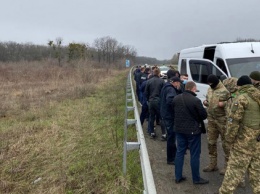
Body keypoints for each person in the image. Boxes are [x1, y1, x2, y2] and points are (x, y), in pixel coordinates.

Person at [218, 75, 260, 194]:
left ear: (240, 86)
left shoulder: (241, 99)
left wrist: (229, 140)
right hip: (257, 144)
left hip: (243, 144)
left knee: (233, 174)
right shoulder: (258, 95)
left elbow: (233, 122)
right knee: (257, 176)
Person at [173, 81, 208, 184]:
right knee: (194, 154)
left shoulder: (176, 98)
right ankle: (196, 179)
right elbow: (204, 115)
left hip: (179, 129)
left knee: (180, 152)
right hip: (193, 131)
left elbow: (173, 111)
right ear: (193, 88)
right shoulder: (195, 100)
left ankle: (178, 176)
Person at [203, 74, 229, 174]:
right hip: (211, 119)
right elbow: (208, 99)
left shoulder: (225, 90)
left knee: (226, 144)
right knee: (211, 142)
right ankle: (212, 164)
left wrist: (225, 103)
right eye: (209, 84)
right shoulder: (210, 89)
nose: (210, 85)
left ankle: (227, 166)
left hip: (222, 120)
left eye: (211, 83)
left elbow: (233, 99)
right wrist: (205, 102)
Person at [160, 75, 182, 164]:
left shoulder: (166, 87)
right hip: (169, 116)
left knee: (171, 136)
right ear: (175, 82)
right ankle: (171, 158)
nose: (179, 85)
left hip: (165, 114)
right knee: (171, 137)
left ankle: (174, 155)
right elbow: (170, 100)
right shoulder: (171, 89)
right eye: (179, 83)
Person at [145, 68, 165, 138]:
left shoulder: (149, 81)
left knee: (151, 117)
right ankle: (164, 134)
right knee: (162, 117)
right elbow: (164, 92)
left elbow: (146, 92)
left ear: (153, 73)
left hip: (151, 101)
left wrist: (148, 99)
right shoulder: (162, 81)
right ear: (159, 73)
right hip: (159, 101)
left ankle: (151, 132)